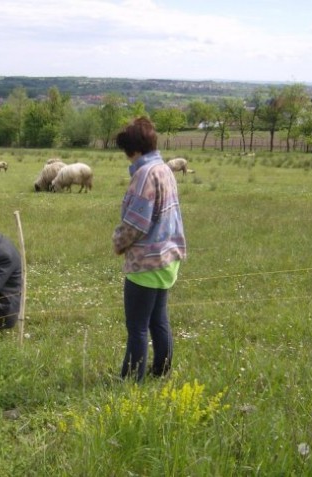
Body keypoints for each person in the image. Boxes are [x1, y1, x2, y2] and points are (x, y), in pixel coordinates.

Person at [112, 117, 187, 382]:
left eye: (127, 152)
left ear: (135, 149)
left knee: (137, 327)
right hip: (168, 257)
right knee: (158, 319)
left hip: (147, 262)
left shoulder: (144, 175)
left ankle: (131, 380)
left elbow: (136, 223)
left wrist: (118, 242)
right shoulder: (164, 168)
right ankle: (162, 370)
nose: (127, 159)